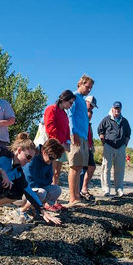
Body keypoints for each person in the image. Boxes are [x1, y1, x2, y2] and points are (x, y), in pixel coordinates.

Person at [66, 74, 94, 206]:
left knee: (79, 168)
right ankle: (72, 198)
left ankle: (77, 196)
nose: (89, 90)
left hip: (83, 136)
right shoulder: (74, 97)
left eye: (91, 88)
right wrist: (73, 133)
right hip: (75, 135)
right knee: (74, 166)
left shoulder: (83, 100)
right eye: (87, 87)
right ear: (81, 84)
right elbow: (70, 115)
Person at [21, 138, 67, 213]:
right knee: (42, 192)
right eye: (51, 158)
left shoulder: (48, 160)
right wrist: (42, 184)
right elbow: (29, 180)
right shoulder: (33, 156)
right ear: (44, 151)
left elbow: (49, 179)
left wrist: (41, 183)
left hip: (37, 189)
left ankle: (37, 207)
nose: (52, 161)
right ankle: (24, 209)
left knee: (56, 189)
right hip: (22, 192)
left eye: (55, 159)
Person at [98, 101, 131, 197]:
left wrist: (125, 144)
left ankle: (119, 189)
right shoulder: (106, 119)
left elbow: (128, 134)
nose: (117, 110)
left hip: (120, 147)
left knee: (120, 169)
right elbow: (100, 131)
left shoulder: (124, 121)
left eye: (119, 108)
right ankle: (106, 189)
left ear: (120, 109)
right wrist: (104, 143)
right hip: (108, 145)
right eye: (115, 108)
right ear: (112, 108)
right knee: (106, 168)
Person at [43, 90, 76, 186]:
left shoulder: (64, 114)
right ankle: (48, 196)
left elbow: (66, 129)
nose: (71, 105)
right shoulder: (51, 109)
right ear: (64, 100)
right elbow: (50, 127)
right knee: (50, 172)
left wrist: (68, 142)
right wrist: (61, 142)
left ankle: (54, 196)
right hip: (53, 145)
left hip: (61, 146)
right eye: (70, 102)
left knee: (57, 173)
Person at [79, 95, 98, 201]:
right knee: (82, 169)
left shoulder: (88, 122)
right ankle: (79, 191)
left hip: (88, 146)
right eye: (90, 106)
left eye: (92, 109)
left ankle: (83, 189)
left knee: (90, 167)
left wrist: (91, 146)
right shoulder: (80, 113)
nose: (91, 109)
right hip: (81, 144)